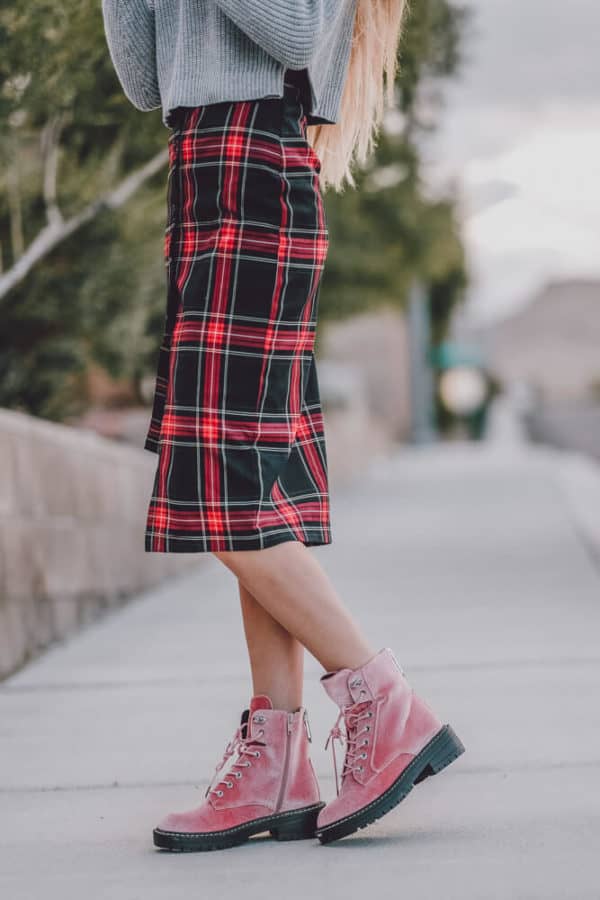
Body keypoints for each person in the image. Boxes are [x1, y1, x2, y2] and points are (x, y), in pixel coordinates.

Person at [102, 0, 464, 851]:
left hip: (257, 171)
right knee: (254, 497)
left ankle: (385, 705)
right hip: (199, 169)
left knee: (223, 501)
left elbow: (297, 32)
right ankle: (277, 764)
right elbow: (147, 82)